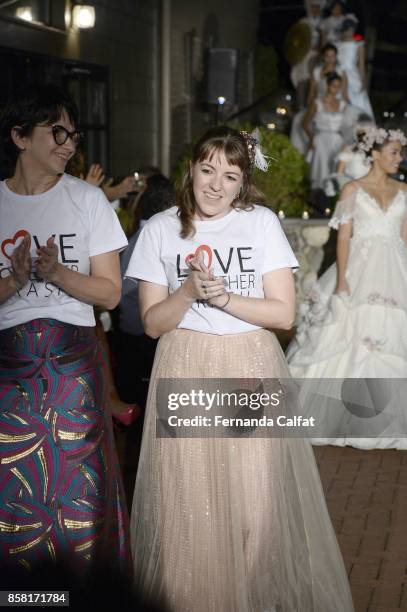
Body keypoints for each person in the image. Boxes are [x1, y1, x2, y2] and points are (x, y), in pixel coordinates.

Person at [126, 126, 354, 611]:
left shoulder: (261, 223)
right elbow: (150, 323)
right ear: (192, 168)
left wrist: (225, 297)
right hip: (184, 365)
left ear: (242, 181)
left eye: (230, 176)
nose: (215, 185)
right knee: (189, 506)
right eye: (207, 170)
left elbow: (284, 314)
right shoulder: (161, 229)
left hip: (251, 363)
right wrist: (187, 293)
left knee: (256, 503)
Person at [0, 83, 130, 574]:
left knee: (79, 492)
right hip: (8, 373)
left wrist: (56, 274)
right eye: (57, 131)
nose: (69, 144)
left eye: (73, 135)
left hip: (72, 369)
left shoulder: (88, 200)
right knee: (14, 494)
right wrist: (13, 282)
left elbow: (110, 293)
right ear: (19, 136)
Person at [287, 126, 407, 449]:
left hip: (396, 269)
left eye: (400, 152)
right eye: (394, 152)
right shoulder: (352, 189)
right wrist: (342, 281)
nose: (399, 158)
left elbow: (405, 238)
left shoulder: (404, 190)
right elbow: (343, 237)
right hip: (360, 267)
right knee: (347, 334)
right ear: (375, 155)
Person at [114, 173, 175, 409]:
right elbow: (125, 290)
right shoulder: (149, 238)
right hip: (141, 337)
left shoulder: (142, 236)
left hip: (140, 335)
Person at [291, 43, 348, 156]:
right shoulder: (316, 71)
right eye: (327, 55)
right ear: (323, 56)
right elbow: (311, 93)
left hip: (337, 105)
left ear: (336, 56)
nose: (330, 58)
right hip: (319, 104)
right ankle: (304, 153)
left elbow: (345, 94)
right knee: (299, 120)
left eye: (333, 55)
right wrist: (309, 106)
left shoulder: (341, 72)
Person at [303, 72, 347, 189]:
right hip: (321, 140)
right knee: (321, 172)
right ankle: (318, 198)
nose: (336, 89)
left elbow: (346, 126)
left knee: (336, 168)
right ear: (327, 85)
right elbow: (305, 123)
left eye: (339, 86)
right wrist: (312, 138)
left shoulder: (342, 104)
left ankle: (331, 197)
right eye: (334, 86)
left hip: (337, 141)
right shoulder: (317, 103)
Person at [336, 16, 374, 118]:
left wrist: (363, 80)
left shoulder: (358, 44)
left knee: (357, 99)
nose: (350, 32)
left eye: (352, 29)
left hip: (353, 75)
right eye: (348, 29)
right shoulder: (337, 44)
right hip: (338, 73)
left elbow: (361, 64)